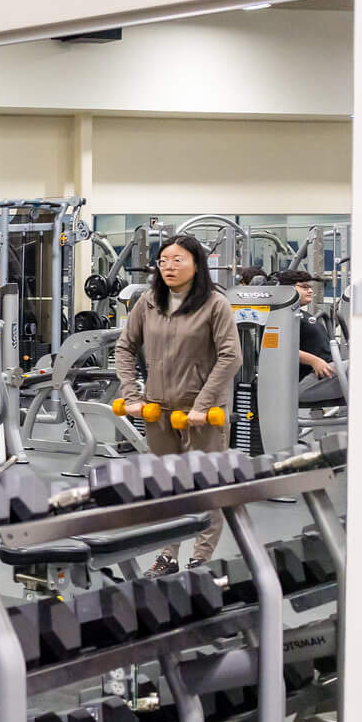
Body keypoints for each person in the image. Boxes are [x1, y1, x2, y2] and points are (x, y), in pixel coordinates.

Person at [114, 233, 240, 573]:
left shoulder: (215, 304)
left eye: (178, 260)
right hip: (158, 411)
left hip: (202, 415)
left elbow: (231, 357)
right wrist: (132, 395)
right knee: (167, 487)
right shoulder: (148, 301)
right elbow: (125, 347)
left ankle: (201, 558)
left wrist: (203, 404)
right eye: (163, 260)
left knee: (205, 487)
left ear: (196, 265)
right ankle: (167, 555)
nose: (169, 266)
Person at [274, 269, 338, 382]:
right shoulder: (280, 317)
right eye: (304, 287)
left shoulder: (302, 315)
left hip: (328, 371)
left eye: (310, 288)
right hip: (312, 376)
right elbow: (281, 348)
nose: (310, 291)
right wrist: (315, 361)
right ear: (287, 289)